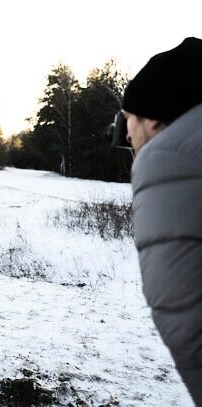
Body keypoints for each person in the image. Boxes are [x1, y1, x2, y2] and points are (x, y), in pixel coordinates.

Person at [122, 37, 202, 405]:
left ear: (153, 120)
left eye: (129, 120)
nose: (125, 134)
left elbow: (188, 325)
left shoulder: (169, 164)